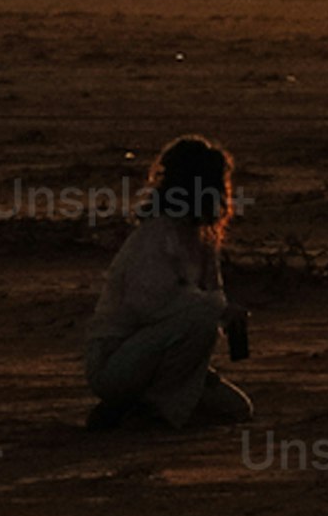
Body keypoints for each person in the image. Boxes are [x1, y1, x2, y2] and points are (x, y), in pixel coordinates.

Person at [80, 135, 256, 429]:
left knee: (235, 409)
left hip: (153, 357)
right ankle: (153, 410)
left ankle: (131, 410)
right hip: (116, 361)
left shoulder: (200, 240)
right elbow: (151, 304)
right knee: (203, 316)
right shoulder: (158, 234)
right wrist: (219, 309)